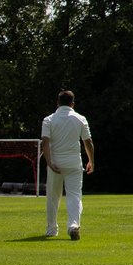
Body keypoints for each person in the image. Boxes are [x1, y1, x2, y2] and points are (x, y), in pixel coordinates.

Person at [41, 90, 95, 240]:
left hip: (55, 162)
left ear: (57, 103)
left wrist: (49, 162)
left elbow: (45, 142)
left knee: (53, 197)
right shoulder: (80, 118)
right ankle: (73, 225)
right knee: (74, 195)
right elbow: (88, 142)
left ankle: (52, 229)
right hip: (73, 163)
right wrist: (91, 161)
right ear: (73, 104)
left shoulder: (49, 120)